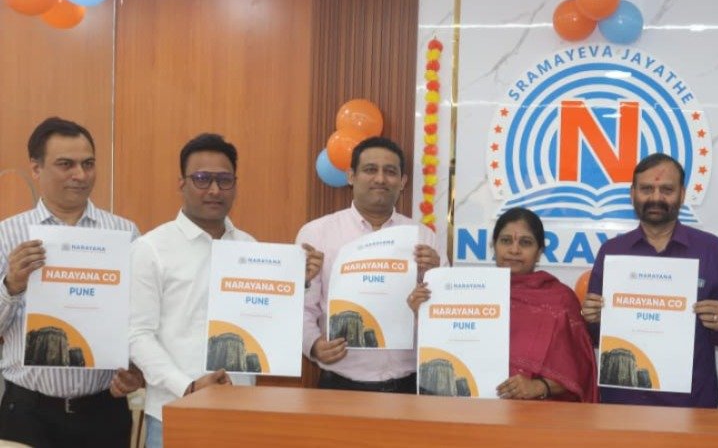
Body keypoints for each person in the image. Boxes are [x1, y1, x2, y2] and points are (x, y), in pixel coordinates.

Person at [129, 133, 324, 448]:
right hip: (174, 413)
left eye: (224, 180)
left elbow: (266, 323)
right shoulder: (150, 249)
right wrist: (189, 386)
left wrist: (295, 283)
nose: (214, 190)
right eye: (202, 179)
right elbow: (137, 335)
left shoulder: (250, 246)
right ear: (182, 183)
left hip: (240, 412)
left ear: (235, 184)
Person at [0, 117, 144, 447]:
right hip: (27, 412)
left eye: (88, 164)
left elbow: (142, 317)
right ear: (36, 168)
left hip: (103, 411)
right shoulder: (7, 235)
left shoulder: (125, 233)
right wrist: (11, 285)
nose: (80, 175)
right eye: (66, 164)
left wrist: (135, 369)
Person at [580, 153, 718, 408]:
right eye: (646, 189)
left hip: (691, 402)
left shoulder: (710, 249)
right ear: (632, 194)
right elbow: (597, 337)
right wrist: (591, 318)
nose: (656, 198)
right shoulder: (612, 252)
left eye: (667, 190)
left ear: (682, 195)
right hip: (623, 402)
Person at [298, 136, 446, 393]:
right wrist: (313, 345)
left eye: (390, 172)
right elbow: (302, 306)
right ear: (351, 176)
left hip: (410, 384)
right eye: (370, 170)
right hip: (341, 383)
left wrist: (435, 277)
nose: (380, 179)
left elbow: (444, 311)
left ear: (403, 181)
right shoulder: (317, 234)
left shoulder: (424, 237)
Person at [408, 207, 598, 402]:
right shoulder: (469, 291)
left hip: (537, 414)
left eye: (525, 242)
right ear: (494, 246)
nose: (514, 250)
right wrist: (422, 312)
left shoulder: (560, 300)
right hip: (471, 408)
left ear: (539, 252)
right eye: (506, 241)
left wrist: (539, 386)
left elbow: (580, 369)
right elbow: (447, 345)